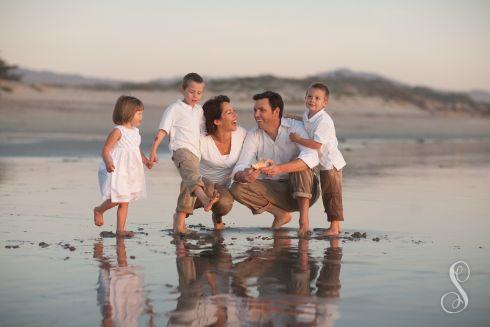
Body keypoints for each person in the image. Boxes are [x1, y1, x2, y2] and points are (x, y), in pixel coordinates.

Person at [230, 91, 320, 237]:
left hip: (305, 191)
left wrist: (279, 168)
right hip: (275, 191)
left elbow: (312, 157)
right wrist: (244, 175)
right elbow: (240, 166)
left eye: (262, 110)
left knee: (302, 166)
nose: (256, 115)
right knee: (237, 188)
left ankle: (304, 222)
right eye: (255, 110)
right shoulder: (254, 134)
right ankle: (280, 215)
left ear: (276, 111)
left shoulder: (295, 127)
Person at [148, 73, 219, 235]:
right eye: (192, 92)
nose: (195, 96)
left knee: (189, 183)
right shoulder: (174, 109)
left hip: (195, 154)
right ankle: (206, 201)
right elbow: (163, 130)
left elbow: (203, 133)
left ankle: (179, 222)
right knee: (193, 178)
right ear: (183, 90)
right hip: (180, 150)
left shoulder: (200, 110)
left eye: (199, 93)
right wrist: (153, 150)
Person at [289, 83, 346, 236]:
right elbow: (304, 122)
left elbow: (316, 144)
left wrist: (298, 139)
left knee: (332, 194)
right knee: (328, 193)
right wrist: (289, 116)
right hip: (323, 163)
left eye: (317, 98)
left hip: (331, 163)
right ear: (305, 98)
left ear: (324, 102)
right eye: (309, 97)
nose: (312, 100)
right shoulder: (308, 114)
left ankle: (334, 228)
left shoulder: (324, 121)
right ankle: (335, 227)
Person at [185, 95, 247, 229]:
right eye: (229, 113)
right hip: (200, 184)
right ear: (217, 121)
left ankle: (217, 216)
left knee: (225, 204)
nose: (235, 115)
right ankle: (183, 212)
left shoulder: (241, 134)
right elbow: (185, 158)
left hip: (222, 187)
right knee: (207, 190)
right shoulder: (202, 138)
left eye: (234, 111)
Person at [93, 95, 147, 237]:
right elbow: (105, 149)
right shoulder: (118, 131)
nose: (142, 116)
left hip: (132, 170)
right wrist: (108, 162)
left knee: (125, 200)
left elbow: (136, 149)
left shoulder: (136, 132)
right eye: (139, 113)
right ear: (128, 112)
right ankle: (99, 210)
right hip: (118, 169)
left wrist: (145, 160)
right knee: (118, 198)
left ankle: (120, 229)